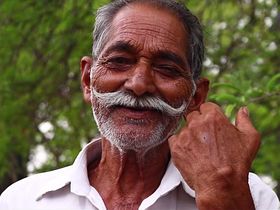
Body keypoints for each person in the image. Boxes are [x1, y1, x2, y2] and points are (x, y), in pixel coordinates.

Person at [0, 0, 279, 209]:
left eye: (167, 69)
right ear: (88, 80)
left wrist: (226, 199)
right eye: (119, 61)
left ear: (195, 97)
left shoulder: (250, 197)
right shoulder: (22, 200)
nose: (139, 84)